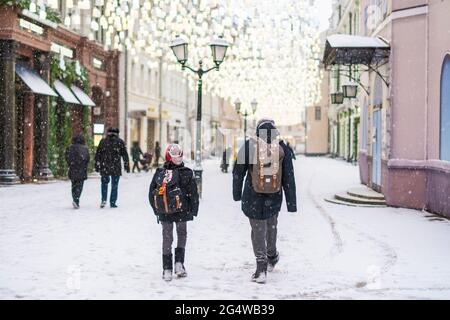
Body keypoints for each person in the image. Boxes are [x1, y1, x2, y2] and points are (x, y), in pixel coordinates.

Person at [233, 119, 297, 284]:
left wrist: (237, 194)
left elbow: (238, 172)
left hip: (252, 195)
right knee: (271, 225)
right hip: (274, 196)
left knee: (257, 229)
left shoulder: (249, 146)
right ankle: (272, 255)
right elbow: (289, 176)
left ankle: (261, 268)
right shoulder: (282, 147)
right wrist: (291, 203)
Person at [149, 144, 199, 281]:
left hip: (164, 211)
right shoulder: (187, 172)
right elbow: (194, 193)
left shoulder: (160, 172)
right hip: (182, 210)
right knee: (182, 234)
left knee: (167, 237)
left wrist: (156, 210)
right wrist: (194, 210)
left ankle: (166, 269)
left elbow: (151, 193)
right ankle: (179, 264)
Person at [95, 127, 130, 208]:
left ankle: (104, 200)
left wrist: (97, 165)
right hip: (116, 166)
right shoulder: (120, 142)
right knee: (114, 185)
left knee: (104, 183)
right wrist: (126, 165)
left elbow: (98, 154)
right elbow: (124, 154)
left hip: (105, 166)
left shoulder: (103, 141)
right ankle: (112, 202)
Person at [65, 134, 90, 209]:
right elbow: (87, 158)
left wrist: (70, 164)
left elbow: (67, 157)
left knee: (73, 185)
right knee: (80, 185)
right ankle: (76, 199)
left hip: (73, 168)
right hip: (82, 169)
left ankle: (75, 198)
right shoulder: (85, 149)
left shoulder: (69, 148)